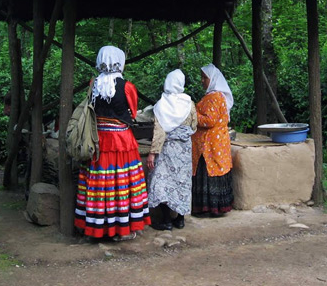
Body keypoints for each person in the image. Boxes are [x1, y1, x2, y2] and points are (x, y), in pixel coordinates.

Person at [74, 46, 151, 241]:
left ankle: (97, 227)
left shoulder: (94, 84)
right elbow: (132, 114)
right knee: (122, 183)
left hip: (98, 140)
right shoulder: (127, 87)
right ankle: (122, 228)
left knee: (100, 183)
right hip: (122, 142)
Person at [147, 69, 197, 231]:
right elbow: (194, 126)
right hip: (184, 149)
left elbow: (159, 131)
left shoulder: (162, 105)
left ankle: (166, 220)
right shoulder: (189, 103)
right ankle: (180, 219)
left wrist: (152, 153)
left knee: (161, 181)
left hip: (167, 149)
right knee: (182, 182)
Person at [191, 63, 234, 216]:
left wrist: (191, 116)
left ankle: (208, 208)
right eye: (201, 77)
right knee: (215, 171)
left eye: (205, 78)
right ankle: (216, 207)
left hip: (208, 146)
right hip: (216, 143)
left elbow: (209, 121)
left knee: (208, 173)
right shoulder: (218, 96)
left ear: (213, 79)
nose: (202, 80)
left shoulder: (213, 97)